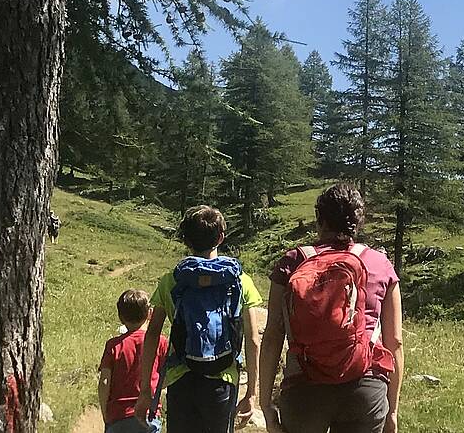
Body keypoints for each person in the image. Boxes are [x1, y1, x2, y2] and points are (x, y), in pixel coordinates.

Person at [258, 183, 406, 433]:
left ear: (320, 219)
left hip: (304, 388)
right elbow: (395, 341)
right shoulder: (379, 264)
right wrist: (392, 411)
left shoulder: (293, 261)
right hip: (364, 387)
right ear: (358, 221)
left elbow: (273, 336)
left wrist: (264, 403)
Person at [135, 205, 265, 433]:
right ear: (221, 237)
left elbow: (153, 334)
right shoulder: (240, 281)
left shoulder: (171, 281)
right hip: (222, 381)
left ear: (186, 240)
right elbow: (253, 340)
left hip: (180, 379)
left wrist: (146, 390)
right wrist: (251, 393)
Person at [98, 289, 168, 433]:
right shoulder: (160, 342)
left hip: (118, 416)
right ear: (149, 314)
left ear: (120, 317)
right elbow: (166, 377)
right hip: (148, 414)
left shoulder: (113, 345)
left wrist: (106, 414)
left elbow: (104, 381)